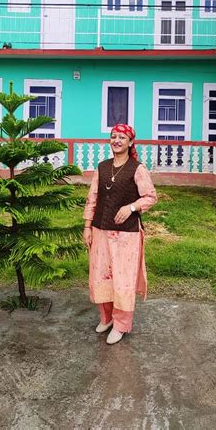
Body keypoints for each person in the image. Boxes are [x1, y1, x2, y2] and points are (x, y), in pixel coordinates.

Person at [83, 123, 157, 344]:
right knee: (101, 276)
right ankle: (106, 318)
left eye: (122, 138)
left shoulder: (138, 169)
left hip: (126, 235)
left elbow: (151, 197)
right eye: (113, 136)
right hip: (100, 230)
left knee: (122, 279)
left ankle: (121, 324)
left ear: (130, 142)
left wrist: (131, 207)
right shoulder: (102, 167)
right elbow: (92, 198)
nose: (116, 140)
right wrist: (87, 227)